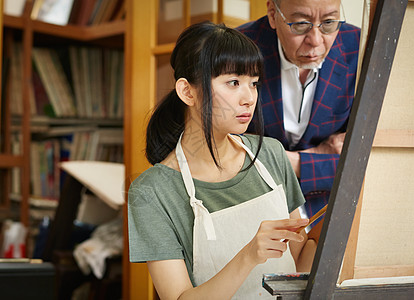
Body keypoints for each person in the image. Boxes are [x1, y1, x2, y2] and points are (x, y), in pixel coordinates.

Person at [127, 21, 316, 299]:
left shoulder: (271, 154)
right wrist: (250, 254)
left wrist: (324, 238)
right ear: (187, 92)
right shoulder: (151, 192)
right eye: (233, 82)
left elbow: (299, 263)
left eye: (253, 84)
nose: (249, 98)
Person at [237, 0, 360, 223]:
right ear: (273, 14)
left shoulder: (361, 48)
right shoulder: (237, 48)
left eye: (329, 22)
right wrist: (316, 156)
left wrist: (290, 162)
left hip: (331, 209)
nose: (315, 41)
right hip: (249, 205)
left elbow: (363, 166)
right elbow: (223, 151)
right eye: (301, 24)